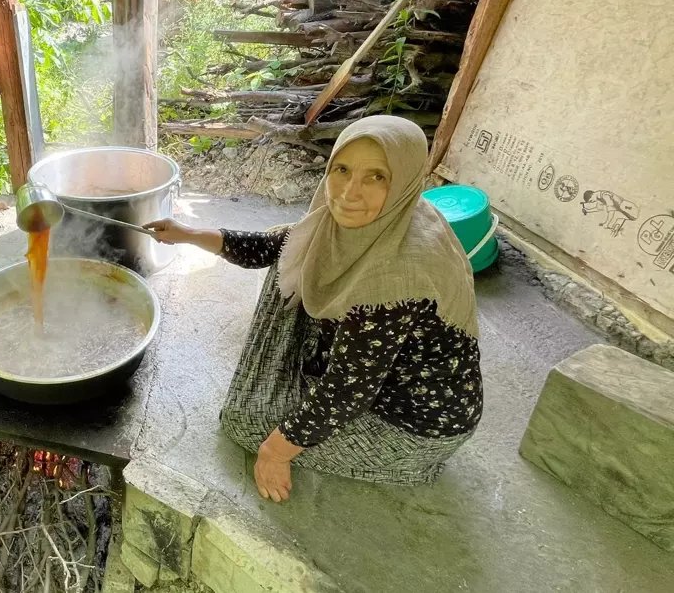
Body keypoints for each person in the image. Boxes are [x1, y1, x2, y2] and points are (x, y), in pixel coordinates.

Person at [146, 116, 482, 502]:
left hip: (411, 422)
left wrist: (276, 451)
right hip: (375, 372)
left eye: (376, 177)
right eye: (342, 170)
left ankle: (406, 463)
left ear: (404, 180)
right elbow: (277, 246)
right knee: (293, 260)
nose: (349, 192)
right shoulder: (385, 216)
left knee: (242, 422)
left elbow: (347, 392)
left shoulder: (397, 277)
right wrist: (188, 235)